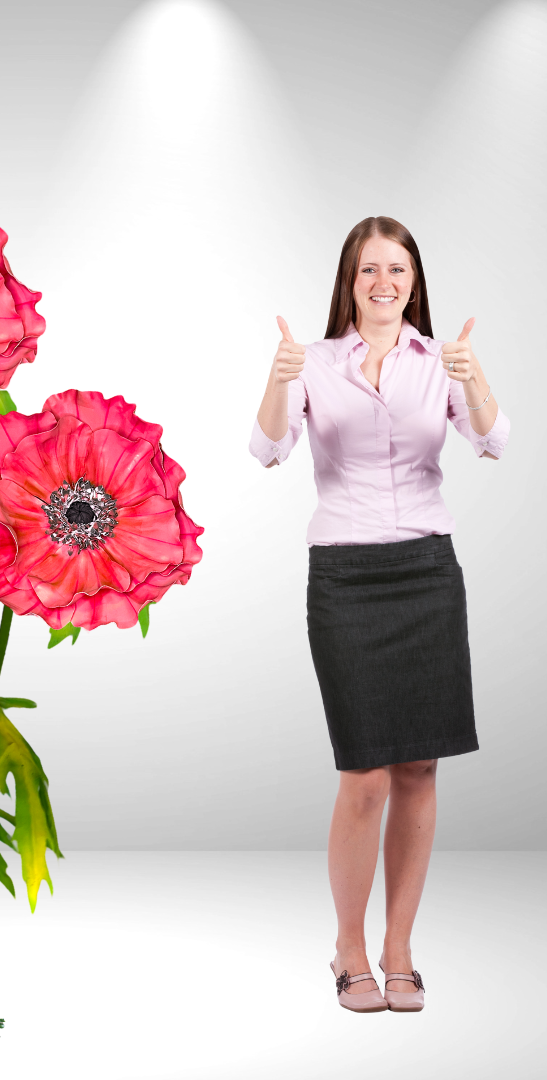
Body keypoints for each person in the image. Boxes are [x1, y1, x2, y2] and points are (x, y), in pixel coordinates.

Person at [250, 216, 509, 1013]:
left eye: (397, 269)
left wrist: (472, 375)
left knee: (420, 769)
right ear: (350, 282)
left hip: (428, 571)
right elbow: (264, 452)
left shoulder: (441, 361)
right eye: (370, 270)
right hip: (346, 577)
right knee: (364, 775)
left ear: (414, 282)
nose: (384, 282)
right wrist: (277, 374)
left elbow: (497, 441)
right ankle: (349, 947)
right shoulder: (315, 363)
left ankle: (399, 948)